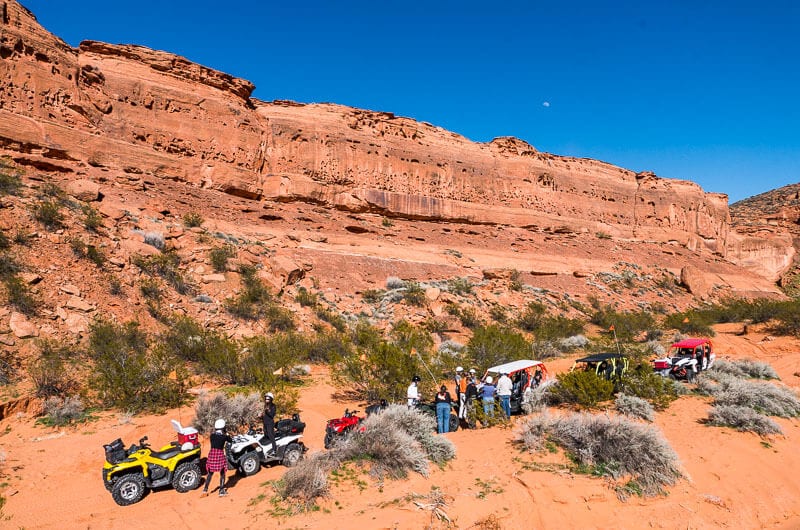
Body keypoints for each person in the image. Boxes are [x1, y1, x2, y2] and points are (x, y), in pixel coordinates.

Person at [201, 418, 232, 497]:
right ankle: (221, 490)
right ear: (223, 428)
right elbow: (230, 440)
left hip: (212, 454)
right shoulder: (224, 437)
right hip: (219, 455)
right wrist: (227, 434)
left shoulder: (212, 436)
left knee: (210, 473)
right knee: (222, 472)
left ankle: (205, 489)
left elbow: (217, 437)